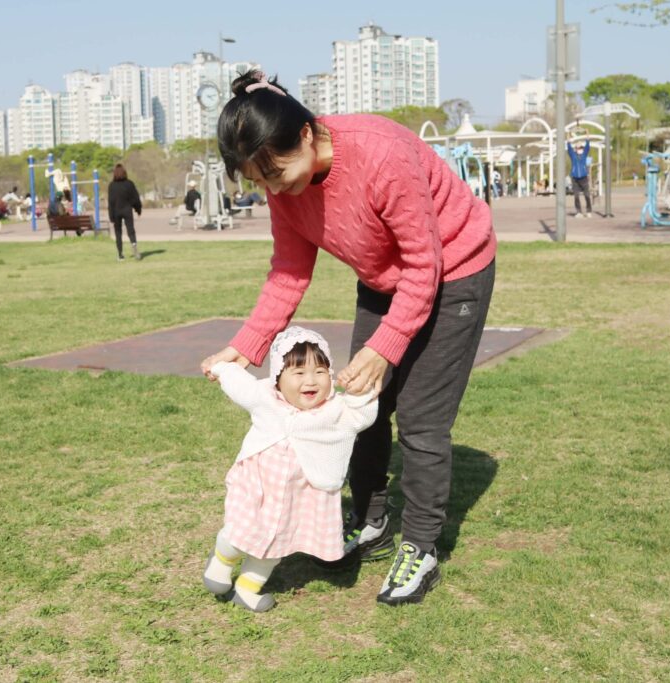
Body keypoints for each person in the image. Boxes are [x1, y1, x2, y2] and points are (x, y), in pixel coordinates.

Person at [200, 70, 496, 606]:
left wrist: (384, 348)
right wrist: (245, 347)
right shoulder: (283, 185)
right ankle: (371, 517)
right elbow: (289, 271)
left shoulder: (382, 155)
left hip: (454, 273)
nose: (271, 188)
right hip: (385, 277)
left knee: (423, 421)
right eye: (258, 180)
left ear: (308, 134)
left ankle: (421, 546)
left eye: (276, 173)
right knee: (360, 402)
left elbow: (425, 264)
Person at [202, 327, 378, 612]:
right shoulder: (266, 398)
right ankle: (221, 563)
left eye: (320, 372)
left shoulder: (336, 411)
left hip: (299, 495)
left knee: (278, 543)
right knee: (241, 532)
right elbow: (240, 384)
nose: (311, 381)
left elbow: (362, 414)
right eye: (298, 373)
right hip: (257, 487)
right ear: (278, 378)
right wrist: (221, 367)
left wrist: (361, 391)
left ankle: (248, 589)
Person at [107, 163, 142, 261]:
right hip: (127, 210)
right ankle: (134, 244)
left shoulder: (112, 186)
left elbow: (111, 202)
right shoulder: (129, 184)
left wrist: (111, 216)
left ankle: (120, 254)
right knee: (131, 230)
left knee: (118, 233)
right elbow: (135, 198)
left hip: (116, 211)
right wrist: (138, 209)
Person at [567, 139, 592, 218]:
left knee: (587, 195)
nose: (580, 149)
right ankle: (579, 212)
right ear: (576, 149)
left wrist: (587, 140)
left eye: (581, 147)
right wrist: (568, 142)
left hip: (584, 178)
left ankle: (588, 211)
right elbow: (569, 149)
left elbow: (588, 147)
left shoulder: (584, 154)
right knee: (576, 196)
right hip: (575, 178)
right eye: (578, 148)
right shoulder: (573, 155)